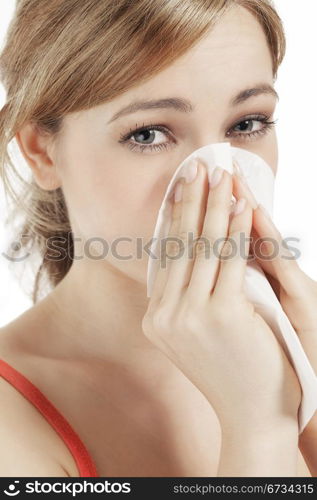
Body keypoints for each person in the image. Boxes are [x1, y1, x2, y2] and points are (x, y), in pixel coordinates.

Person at [0, 0, 316, 477]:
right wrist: (259, 427)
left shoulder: (300, 346)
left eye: (247, 124)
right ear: (42, 151)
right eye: (148, 134)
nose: (221, 181)